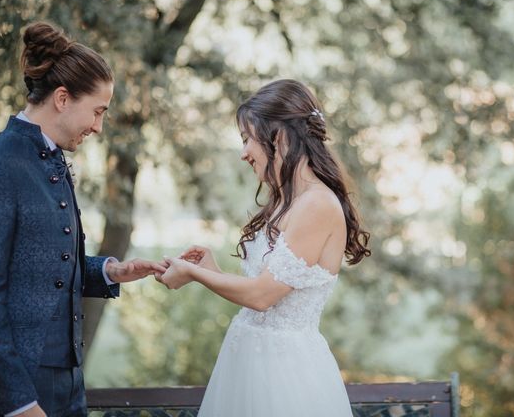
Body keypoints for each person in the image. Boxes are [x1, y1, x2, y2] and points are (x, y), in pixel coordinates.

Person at [0, 21, 167, 417]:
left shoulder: (54, 161)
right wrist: (19, 404)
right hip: (20, 391)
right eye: (97, 112)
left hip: (69, 386)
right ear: (63, 98)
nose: (98, 127)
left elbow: (46, 269)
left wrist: (110, 272)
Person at [157, 79, 371, 416]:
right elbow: (262, 294)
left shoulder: (317, 205)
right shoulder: (287, 201)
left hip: (284, 374)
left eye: (246, 139)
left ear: (280, 137)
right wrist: (211, 270)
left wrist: (195, 275)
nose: (243, 153)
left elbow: (262, 296)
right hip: (248, 363)